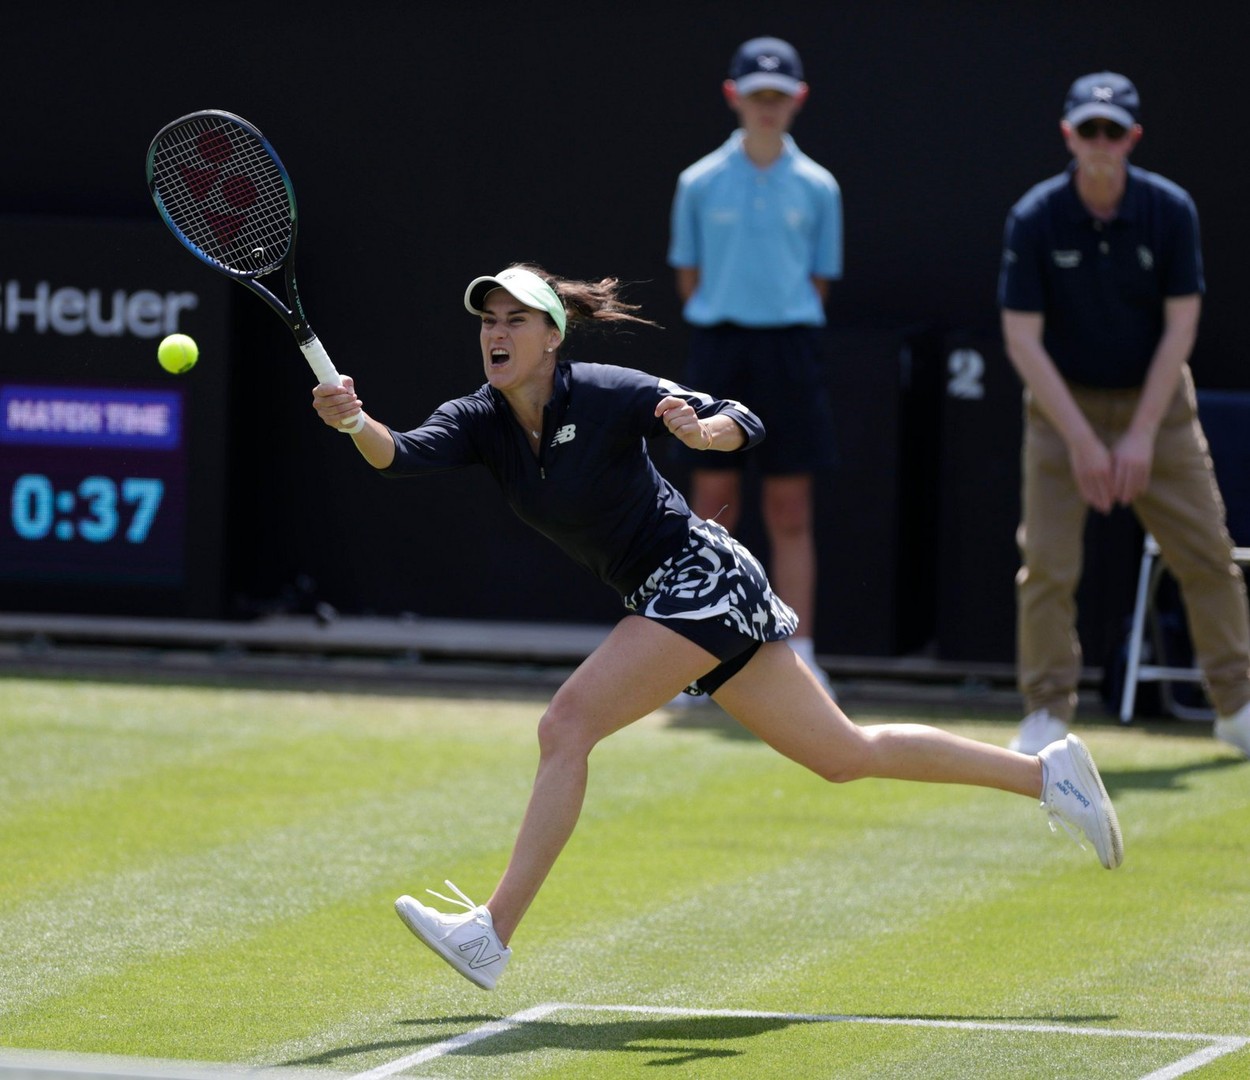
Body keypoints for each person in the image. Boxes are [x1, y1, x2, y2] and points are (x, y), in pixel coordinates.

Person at [312, 262, 1122, 992]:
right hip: (666, 595)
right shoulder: (479, 419)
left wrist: (704, 432)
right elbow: (396, 454)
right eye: (488, 320)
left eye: (515, 319)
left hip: (699, 576)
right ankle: (1048, 775)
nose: (496, 333)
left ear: (552, 338)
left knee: (566, 725)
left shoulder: (604, 390)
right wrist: (353, 421)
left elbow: (741, 417)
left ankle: (491, 933)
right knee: (843, 756)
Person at [998, 71, 1250, 757]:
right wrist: (1081, 438)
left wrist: (1138, 435)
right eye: (1089, 130)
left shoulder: (1170, 211)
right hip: (1061, 406)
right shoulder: (1036, 216)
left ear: (1132, 137)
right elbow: (1021, 337)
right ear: (1069, 136)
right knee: (1047, 565)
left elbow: (1180, 328)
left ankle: (1238, 704)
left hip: (1159, 406)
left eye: (1113, 131)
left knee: (1207, 555)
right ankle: (1047, 710)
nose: (1101, 143)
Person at [667, 36, 841, 697]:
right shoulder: (699, 182)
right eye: (756, 95)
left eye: (779, 96)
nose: (767, 107)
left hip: (790, 352)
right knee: (711, 504)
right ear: (734, 98)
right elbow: (690, 277)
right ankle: (690, 649)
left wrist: (774, 316)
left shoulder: (819, 187)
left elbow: (819, 280)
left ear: (797, 101)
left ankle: (801, 651)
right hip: (719, 351)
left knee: (790, 507)